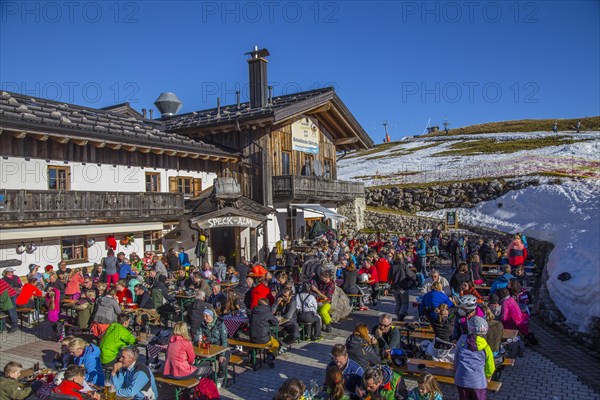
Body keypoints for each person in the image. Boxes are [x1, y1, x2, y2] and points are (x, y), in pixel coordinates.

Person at [454, 316, 495, 400]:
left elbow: (456, 358)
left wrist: (457, 371)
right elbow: (490, 365)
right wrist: (488, 375)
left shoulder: (462, 340)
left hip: (461, 379)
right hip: (478, 382)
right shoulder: (485, 346)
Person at [195, 309, 230, 385]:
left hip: (221, 348)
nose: (204, 318)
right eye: (203, 316)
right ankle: (202, 379)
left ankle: (220, 378)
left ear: (211, 316)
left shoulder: (220, 324)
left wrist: (222, 354)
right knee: (202, 362)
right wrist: (198, 339)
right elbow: (197, 334)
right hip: (209, 349)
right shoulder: (202, 324)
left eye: (206, 316)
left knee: (223, 363)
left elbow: (224, 340)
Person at [249, 298, 279, 368]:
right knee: (275, 343)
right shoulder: (267, 312)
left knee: (256, 344)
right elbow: (276, 322)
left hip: (252, 338)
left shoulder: (252, 311)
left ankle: (252, 355)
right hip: (264, 338)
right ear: (266, 304)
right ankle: (270, 356)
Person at [388, 253, 416, 321]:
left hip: (395, 287)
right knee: (404, 303)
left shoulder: (392, 266)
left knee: (398, 303)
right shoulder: (404, 266)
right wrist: (414, 275)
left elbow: (389, 277)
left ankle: (398, 315)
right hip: (403, 287)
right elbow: (409, 274)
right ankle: (401, 315)